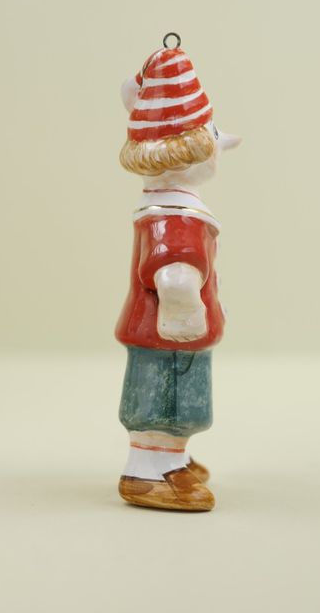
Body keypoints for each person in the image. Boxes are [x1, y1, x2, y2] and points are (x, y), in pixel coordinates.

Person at [115, 35, 240, 511]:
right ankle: (147, 472)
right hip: (167, 336)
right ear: (192, 153)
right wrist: (186, 313)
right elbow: (173, 272)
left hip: (162, 333)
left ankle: (171, 460)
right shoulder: (177, 217)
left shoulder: (163, 206)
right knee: (167, 403)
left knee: (174, 404)